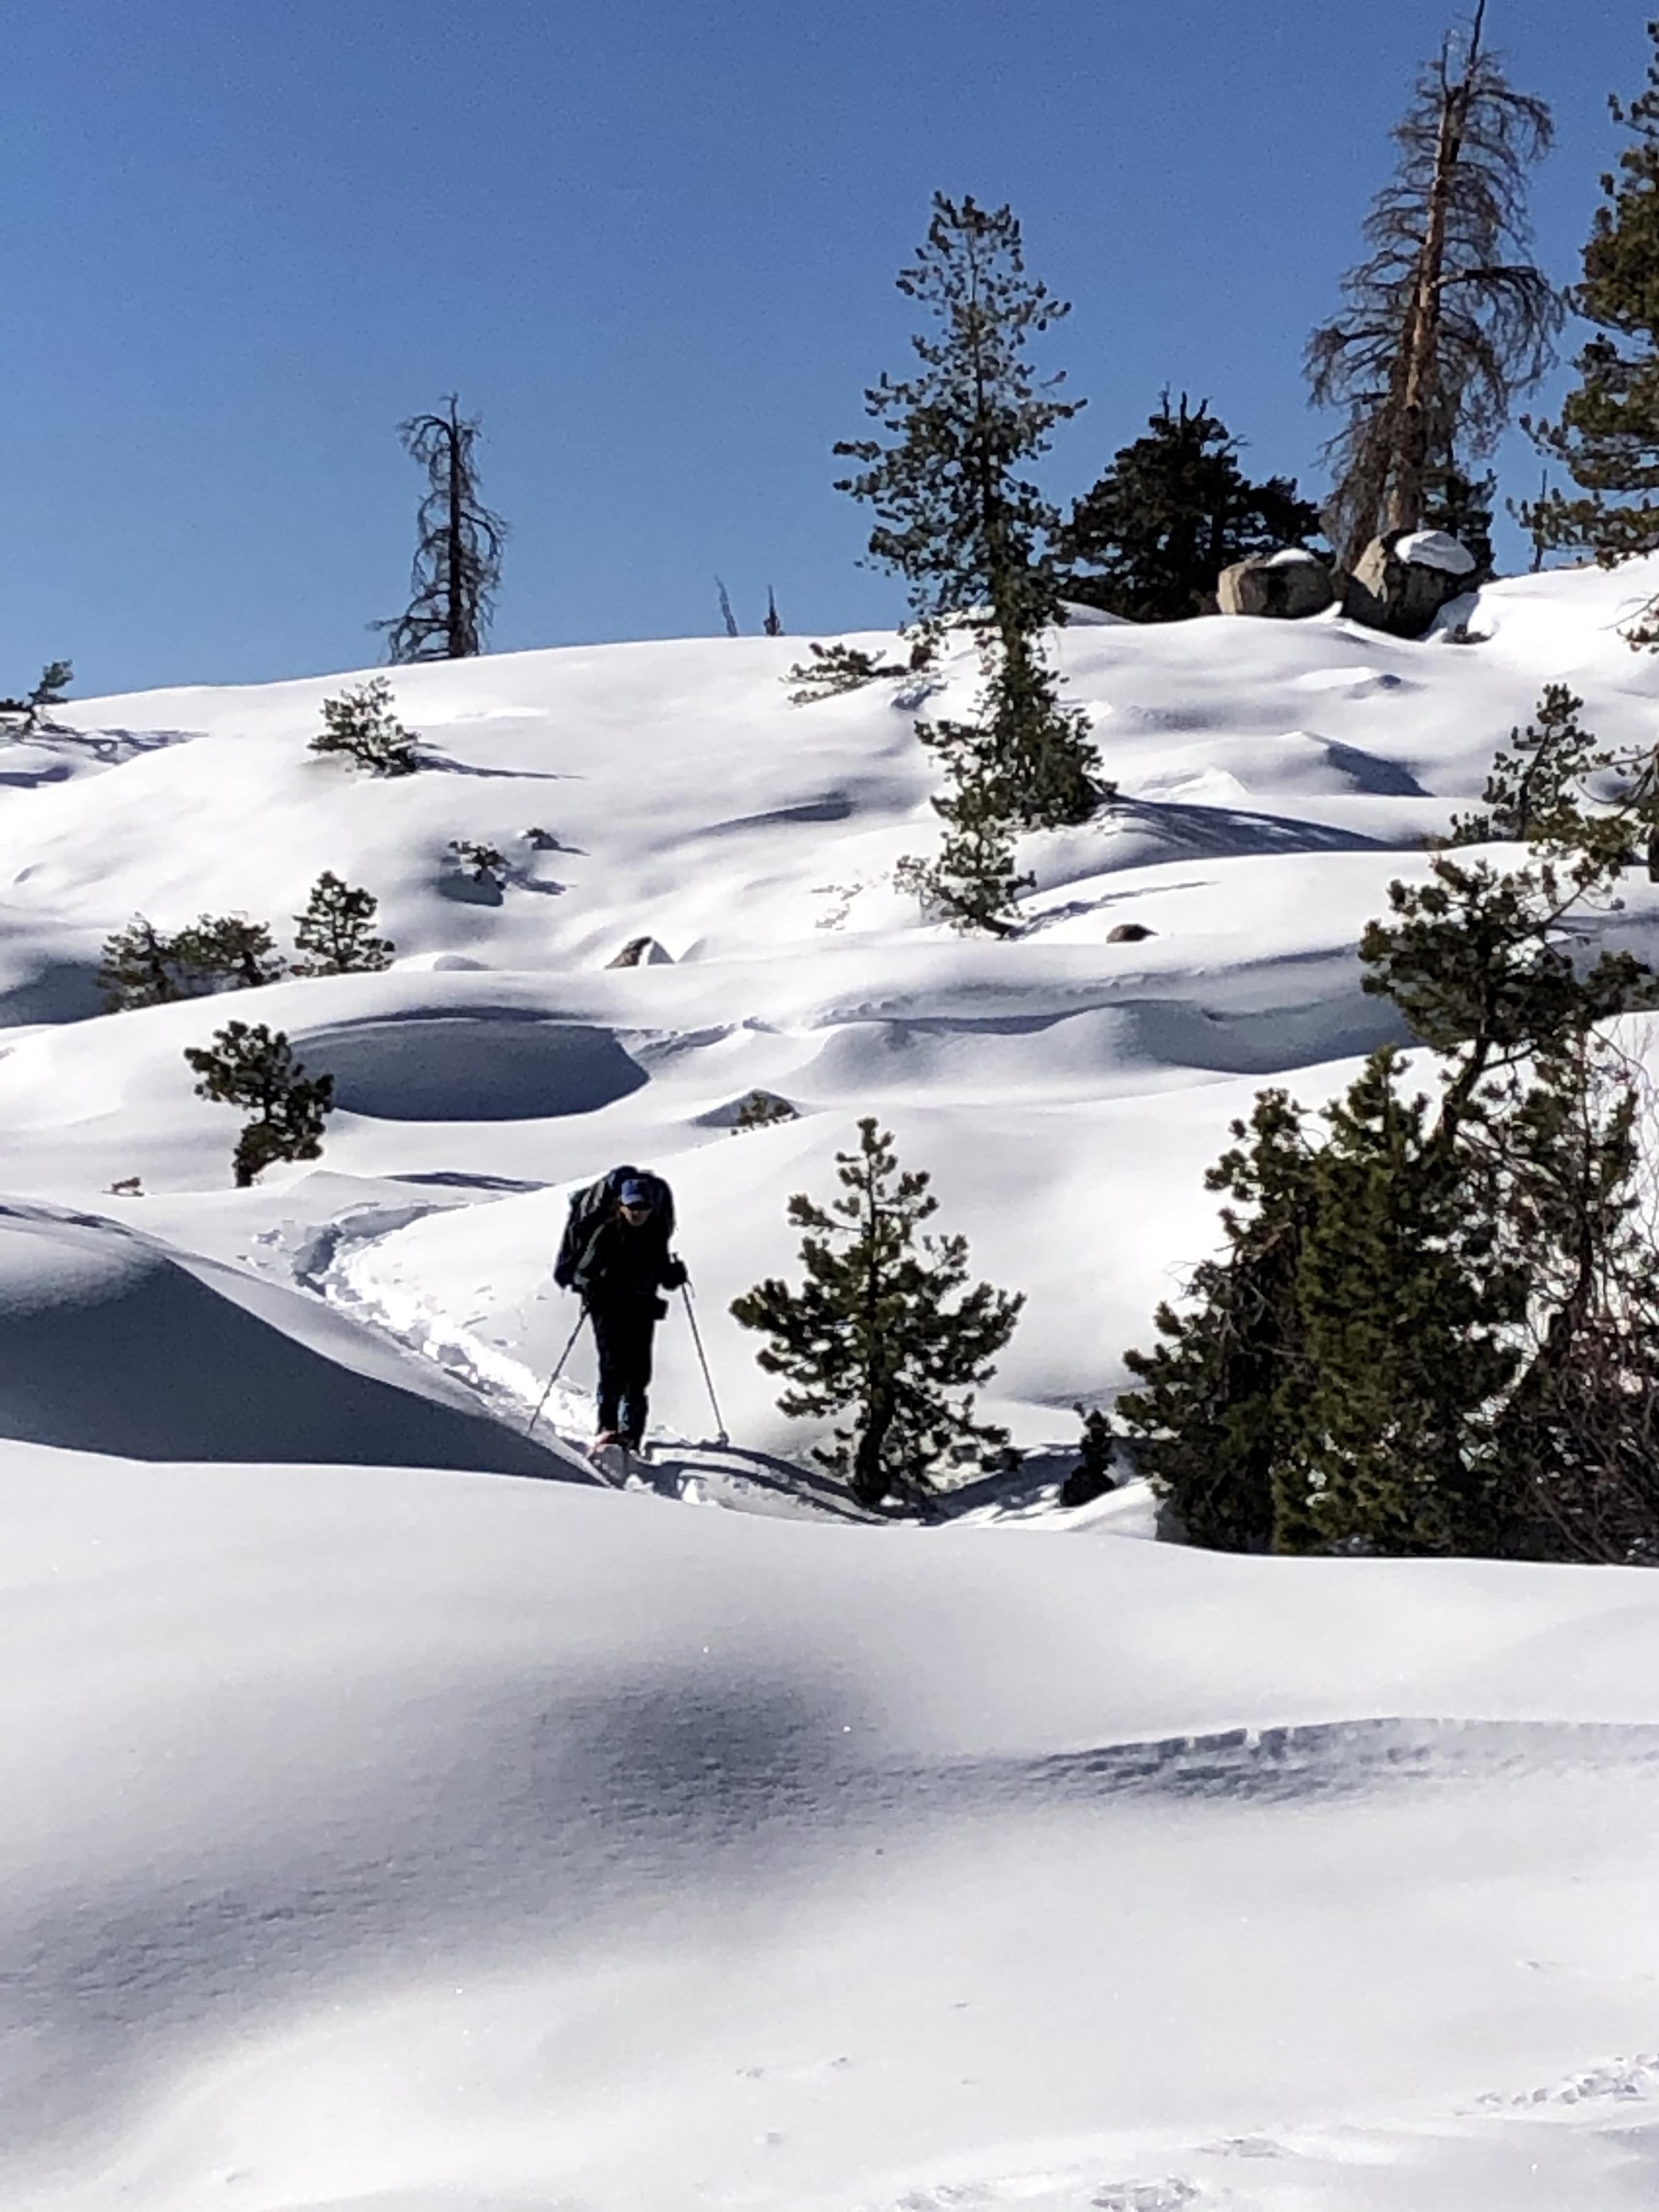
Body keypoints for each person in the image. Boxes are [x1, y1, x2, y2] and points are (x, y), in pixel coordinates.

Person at [565, 1176, 686, 1452]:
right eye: (633, 1206)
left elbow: (664, 1277)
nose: (638, 1212)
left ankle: (631, 1434)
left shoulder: (655, 1236)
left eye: (643, 1206)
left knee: (639, 1374)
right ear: (621, 1205)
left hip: (641, 1310)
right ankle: (607, 1428)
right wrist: (593, 1284)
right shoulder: (606, 1234)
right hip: (607, 1310)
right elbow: (582, 1273)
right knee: (613, 1368)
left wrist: (675, 1274)